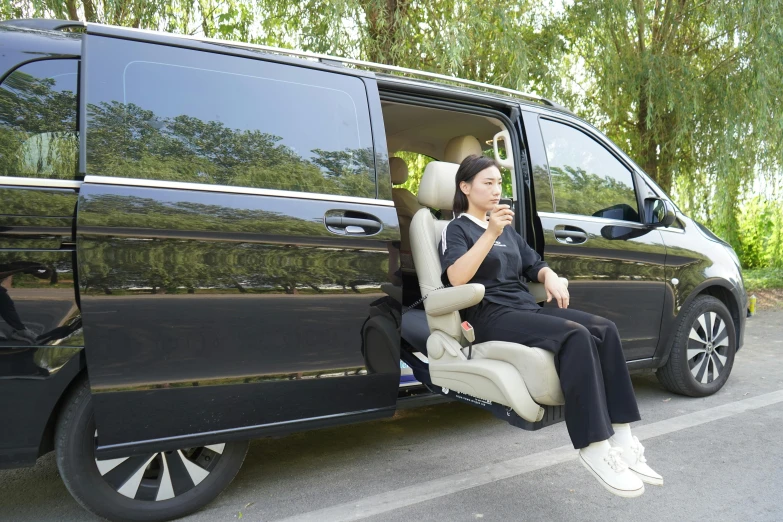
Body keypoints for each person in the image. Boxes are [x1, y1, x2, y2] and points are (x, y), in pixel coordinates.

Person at [439, 155, 662, 498]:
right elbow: (456, 277)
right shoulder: (457, 229)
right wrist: (490, 232)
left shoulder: (508, 230)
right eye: (488, 183)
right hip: (488, 316)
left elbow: (535, 264)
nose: (496, 190)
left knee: (604, 329)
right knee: (575, 335)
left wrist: (551, 277)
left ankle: (624, 438)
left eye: (499, 183)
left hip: (524, 308)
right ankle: (594, 447)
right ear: (465, 187)